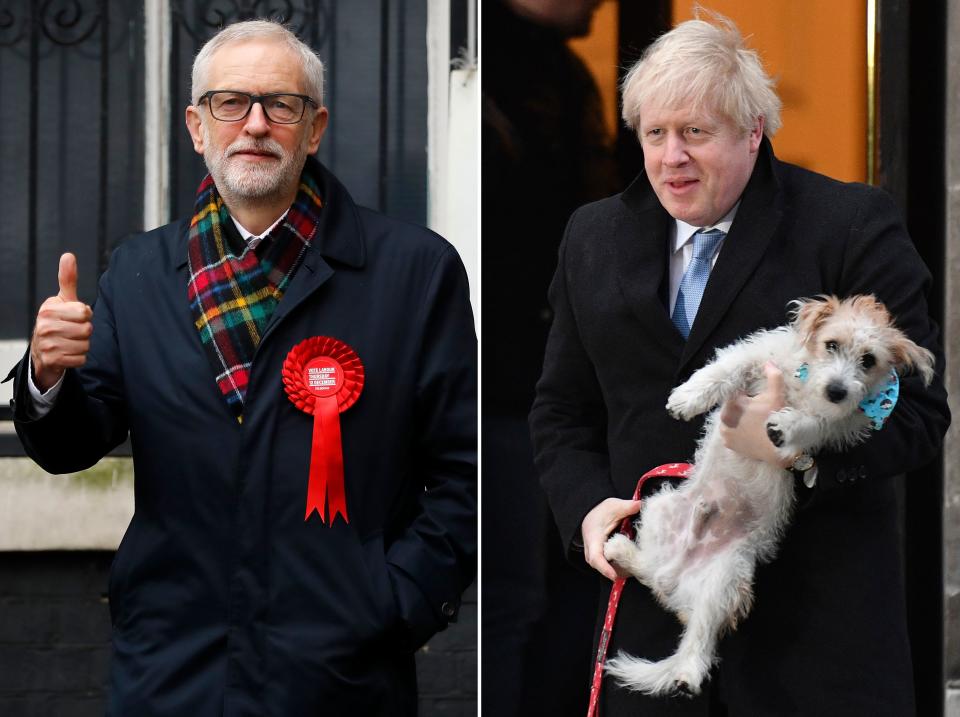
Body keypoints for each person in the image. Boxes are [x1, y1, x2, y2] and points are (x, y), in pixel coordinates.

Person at [8, 20, 476, 716]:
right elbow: (75, 443)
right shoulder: (137, 272)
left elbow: (461, 471)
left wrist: (393, 603)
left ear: (313, 128)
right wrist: (47, 377)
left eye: (280, 105)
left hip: (340, 673)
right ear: (197, 127)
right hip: (172, 667)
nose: (255, 124)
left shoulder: (414, 270)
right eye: (230, 104)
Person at [529, 12, 950, 717]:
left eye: (696, 132)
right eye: (655, 134)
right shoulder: (591, 236)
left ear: (754, 129)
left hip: (819, 644)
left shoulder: (849, 224)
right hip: (660, 622)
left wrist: (801, 454)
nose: (671, 158)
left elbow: (914, 409)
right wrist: (586, 509)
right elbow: (561, 409)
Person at [482, 0, 619, 714]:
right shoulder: (480, 64)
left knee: (578, 587)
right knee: (520, 600)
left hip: (557, 381)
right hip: (507, 384)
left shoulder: (557, 73)